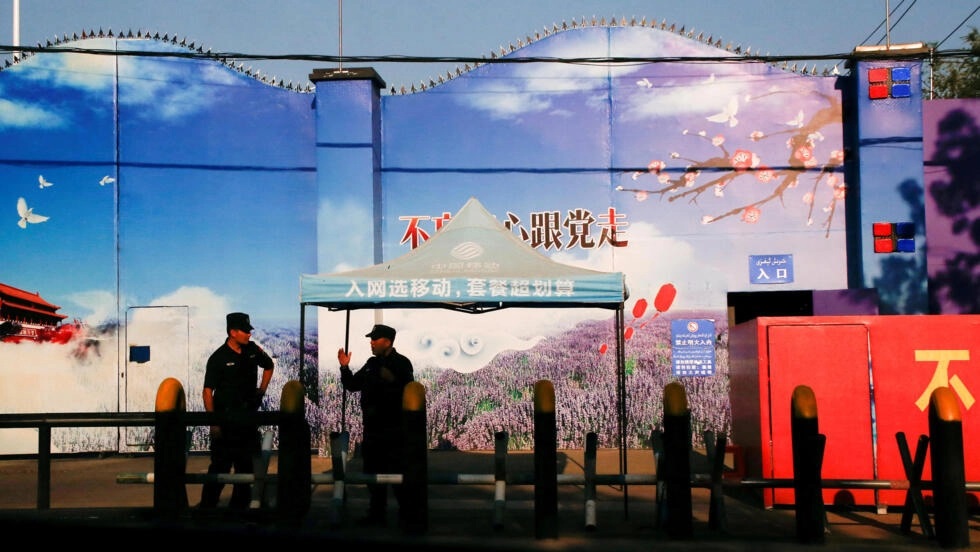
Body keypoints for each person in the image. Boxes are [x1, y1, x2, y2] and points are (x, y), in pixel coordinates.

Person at [338, 323, 415, 526]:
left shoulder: (401, 363)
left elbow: (410, 391)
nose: (371, 343)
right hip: (372, 429)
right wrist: (344, 367)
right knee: (372, 473)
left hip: (394, 429)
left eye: (375, 339)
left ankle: (407, 515)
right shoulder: (371, 363)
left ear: (387, 342)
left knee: (397, 473)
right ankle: (376, 514)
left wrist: (393, 381)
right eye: (371, 339)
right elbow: (352, 385)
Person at [198, 312, 274, 510]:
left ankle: (238, 509)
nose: (249, 334)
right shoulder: (218, 358)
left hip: (247, 419)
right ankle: (207, 509)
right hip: (225, 422)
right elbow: (207, 392)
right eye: (245, 331)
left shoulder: (252, 350)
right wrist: (214, 423)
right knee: (220, 467)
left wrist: (261, 391)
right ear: (233, 332)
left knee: (246, 467)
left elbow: (269, 366)